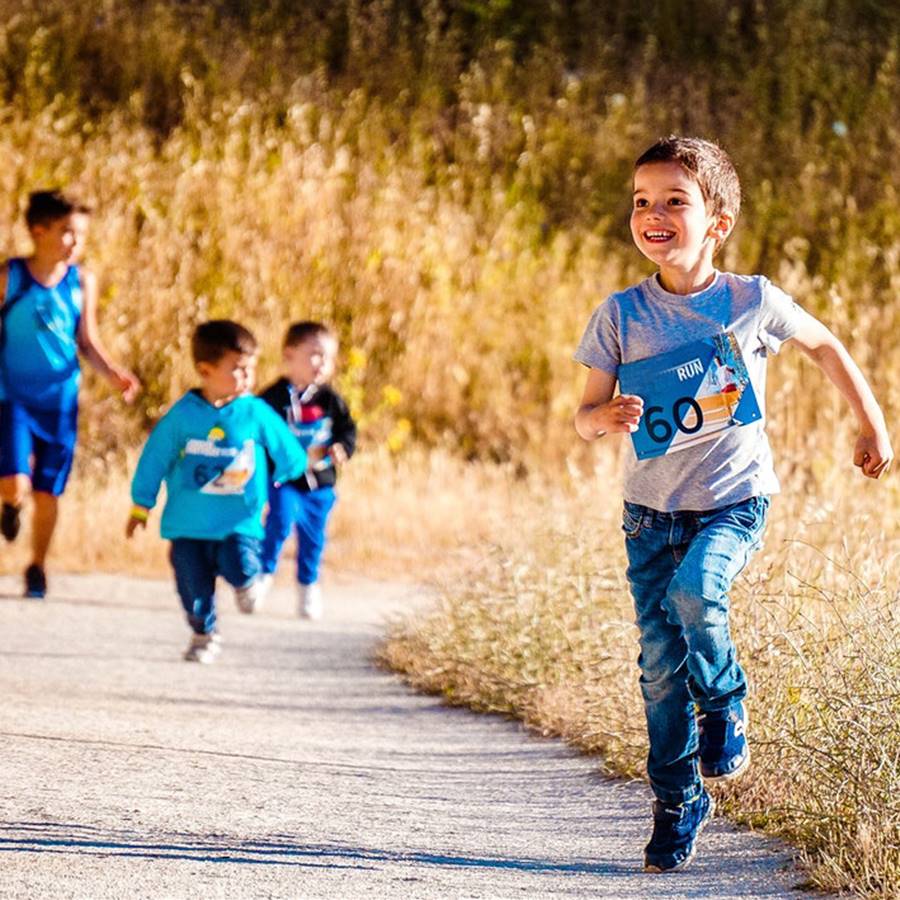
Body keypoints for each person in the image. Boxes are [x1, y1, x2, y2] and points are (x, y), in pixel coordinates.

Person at [573, 136, 893, 873]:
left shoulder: (750, 300)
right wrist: (606, 419)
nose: (653, 214)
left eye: (674, 202)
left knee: (698, 593)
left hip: (733, 503)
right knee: (657, 668)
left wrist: (872, 421)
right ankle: (678, 798)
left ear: (716, 221)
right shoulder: (620, 315)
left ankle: (724, 702)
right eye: (641, 201)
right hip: (649, 517)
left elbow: (824, 346)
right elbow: (584, 414)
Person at [126, 320, 307, 663]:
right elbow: (154, 460)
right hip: (187, 524)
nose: (248, 377)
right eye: (237, 369)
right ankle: (203, 634)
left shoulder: (254, 411)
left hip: (239, 520)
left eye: (251, 369)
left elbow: (287, 449)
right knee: (192, 586)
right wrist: (141, 506)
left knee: (239, 565)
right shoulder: (182, 416)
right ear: (205, 370)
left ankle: (247, 581)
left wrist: (288, 473)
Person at [0, 189, 140, 599]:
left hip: (60, 402)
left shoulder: (82, 281)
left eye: (80, 234)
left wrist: (113, 372)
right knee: (13, 481)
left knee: (49, 490)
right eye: (67, 232)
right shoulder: (12, 276)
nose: (76, 242)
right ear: (38, 231)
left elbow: (87, 339)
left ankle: (37, 566)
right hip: (13, 398)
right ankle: (9, 505)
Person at [257, 321, 357, 619]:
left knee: (314, 537)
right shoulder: (272, 398)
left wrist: (343, 447)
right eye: (314, 354)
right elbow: (257, 431)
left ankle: (308, 586)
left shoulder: (329, 399)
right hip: (284, 479)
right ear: (289, 354)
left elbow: (347, 430)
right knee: (279, 521)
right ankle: (262, 576)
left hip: (320, 482)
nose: (322, 364)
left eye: (327, 357)